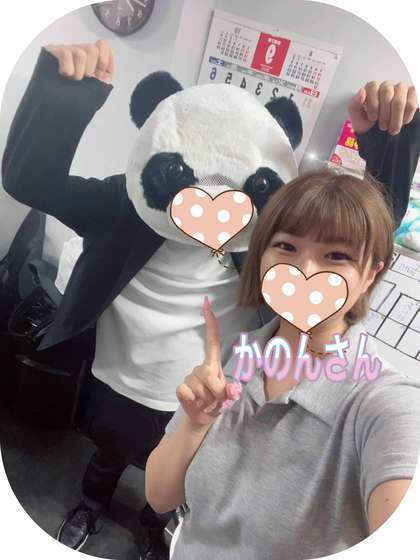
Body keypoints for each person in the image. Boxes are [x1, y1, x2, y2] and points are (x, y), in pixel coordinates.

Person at [2, 37, 419, 559]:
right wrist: (64, 98)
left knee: (182, 480)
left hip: (216, 390)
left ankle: (158, 532)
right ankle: (91, 503)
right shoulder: (126, 203)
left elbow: (359, 233)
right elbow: (32, 181)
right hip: (122, 375)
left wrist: (386, 140)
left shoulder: (267, 235)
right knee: (110, 452)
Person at [145, 169, 420, 560]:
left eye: (336, 255)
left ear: (370, 274)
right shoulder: (241, 356)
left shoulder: (384, 405)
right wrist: (195, 423)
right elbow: (160, 496)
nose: (304, 271)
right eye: (287, 247)